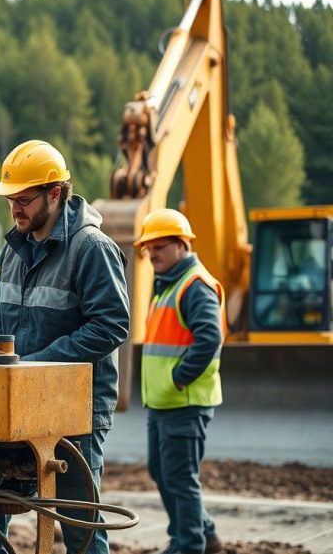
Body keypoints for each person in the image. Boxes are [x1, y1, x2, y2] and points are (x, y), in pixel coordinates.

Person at [0, 139, 129, 554]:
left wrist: (35, 366)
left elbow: (112, 325)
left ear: (55, 193)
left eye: (24, 199)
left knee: (77, 518)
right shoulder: (12, 251)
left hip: (74, 410)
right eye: (11, 200)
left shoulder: (91, 248)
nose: (15, 209)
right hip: (15, 399)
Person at [136, 208, 225, 554]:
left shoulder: (194, 286)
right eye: (148, 248)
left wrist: (178, 378)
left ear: (181, 244)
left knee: (180, 479)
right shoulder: (167, 285)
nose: (152, 253)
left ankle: (188, 544)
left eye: (159, 246)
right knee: (162, 472)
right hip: (163, 401)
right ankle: (206, 533)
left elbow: (209, 339)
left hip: (183, 401)